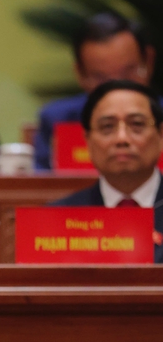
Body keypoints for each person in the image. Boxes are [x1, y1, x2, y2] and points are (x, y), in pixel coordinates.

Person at [51, 80, 163, 263]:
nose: (122, 139)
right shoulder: (58, 219)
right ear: (87, 140)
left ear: (161, 135)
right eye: (107, 127)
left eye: (136, 124)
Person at [34, 12, 156, 170]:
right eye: (101, 79)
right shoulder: (57, 120)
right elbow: (41, 188)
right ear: (80, 74)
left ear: (149, 62)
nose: (116, 90)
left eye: (128, 73)